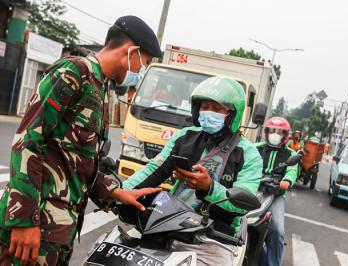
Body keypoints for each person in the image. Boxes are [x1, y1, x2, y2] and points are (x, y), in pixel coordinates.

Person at [0, 16, 163, 265]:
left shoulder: (100, 89)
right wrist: (23, 221)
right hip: (33, 227)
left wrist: (117, 193)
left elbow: (77, 162)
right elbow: (28, 141)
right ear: (132, 52)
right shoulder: (73, 72)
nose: (141, 71)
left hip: (58, 232)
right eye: (146, 62)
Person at [123, 76, 263, 266]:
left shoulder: (248, 154)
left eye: (217, 109)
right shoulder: (184, 137)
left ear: (232, 113)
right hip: (169, 222)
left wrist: (210, 188)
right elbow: (155, 169)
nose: (208, 113)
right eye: (204, 107)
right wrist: (121, 191)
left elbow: (243, 201)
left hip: (215, 238)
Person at [256, 117, 298, 266]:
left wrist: (287, 181)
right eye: (272, 131)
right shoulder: (256, 148)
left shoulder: (290, 154)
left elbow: (292, 171)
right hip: (252, 190)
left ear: (286, 135)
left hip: (275, 195)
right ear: (266, 132)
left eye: (279, 132)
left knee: (277, 230)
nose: (275, 134)